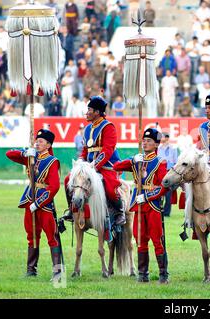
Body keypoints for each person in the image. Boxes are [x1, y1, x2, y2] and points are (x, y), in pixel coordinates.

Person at [113, 128, 169, 283]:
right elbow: (116, 166)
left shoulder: (160, 162)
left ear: (156, 144)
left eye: (149, 141)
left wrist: (146, 196)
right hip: (139, 206)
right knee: (140, 239)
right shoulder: (137, 160)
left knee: (157, 240)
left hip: (153, 205)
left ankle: (163, 274)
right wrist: (132, 161)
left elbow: (164, 186)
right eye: (143, 140)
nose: (145, 143)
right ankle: (143, 274)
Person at [6, 129, 62, 280]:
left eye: (41, 141)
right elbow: (9, 154)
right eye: (37, 141)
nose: (37, 143)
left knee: (52, 237)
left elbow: (54, 187)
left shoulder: (52, 161)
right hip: (29, 199)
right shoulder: (31, 156)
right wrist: (24, 153)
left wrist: (38, 203)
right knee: (32, 236)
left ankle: (58, 272)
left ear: (48, 145)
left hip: (43, 203)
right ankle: (31, 270)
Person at [61, 96, 125, 226]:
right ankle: (72, 209)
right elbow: (86, 149)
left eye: (89, 109)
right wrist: (80, 162)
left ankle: (120, 211)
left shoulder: (108, 127)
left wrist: (93, 166)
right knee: (68, 180)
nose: (87, 112)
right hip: (89, 166)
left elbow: (107, 151)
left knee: (111, 187)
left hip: (107, 166)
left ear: (97, 112)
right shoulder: (87, 128)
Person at [158, 133, 178, 217]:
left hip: (169, 172)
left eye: (162, 137)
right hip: (160, 172)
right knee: (159, 192)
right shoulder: (158, 148)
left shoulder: (173, 148)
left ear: (166, 138)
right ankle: (159, 210)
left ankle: (166, 212)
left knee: (168, 193)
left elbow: (175, 161)